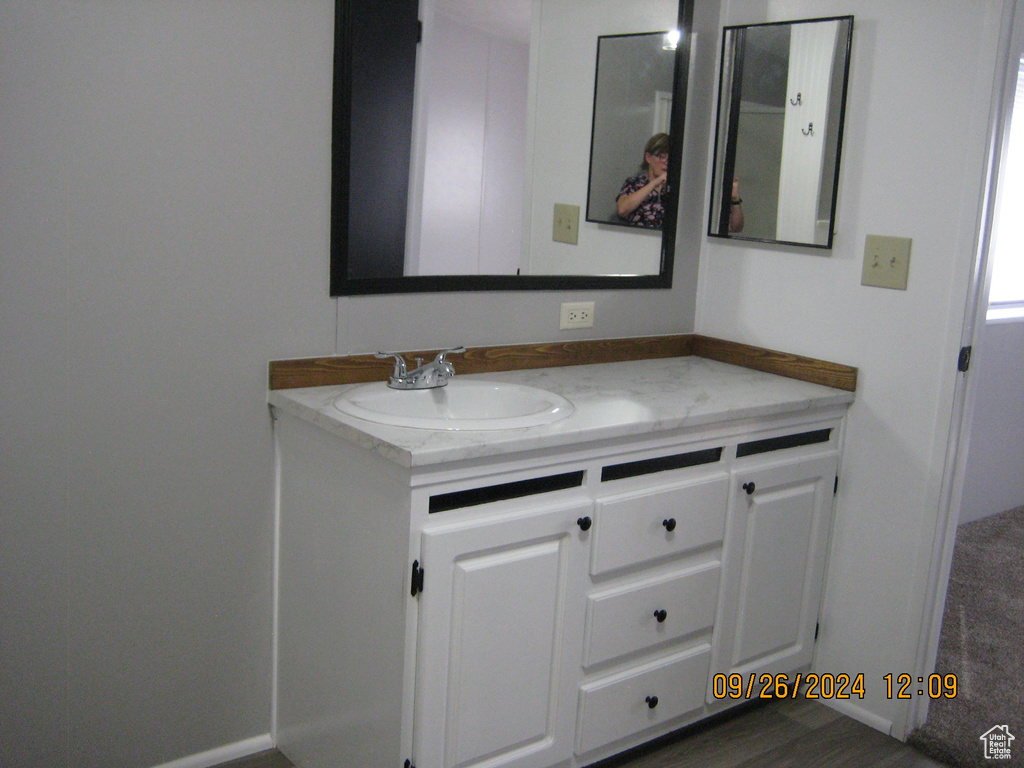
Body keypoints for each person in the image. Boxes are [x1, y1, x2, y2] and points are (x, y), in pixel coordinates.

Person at [616, 133, 670, 228]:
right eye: (661, 156)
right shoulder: (634, 183)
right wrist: (654, 183)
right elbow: (622, 210)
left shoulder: (675, 188)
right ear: (648, 158)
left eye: (670, 158)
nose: (666, 162)